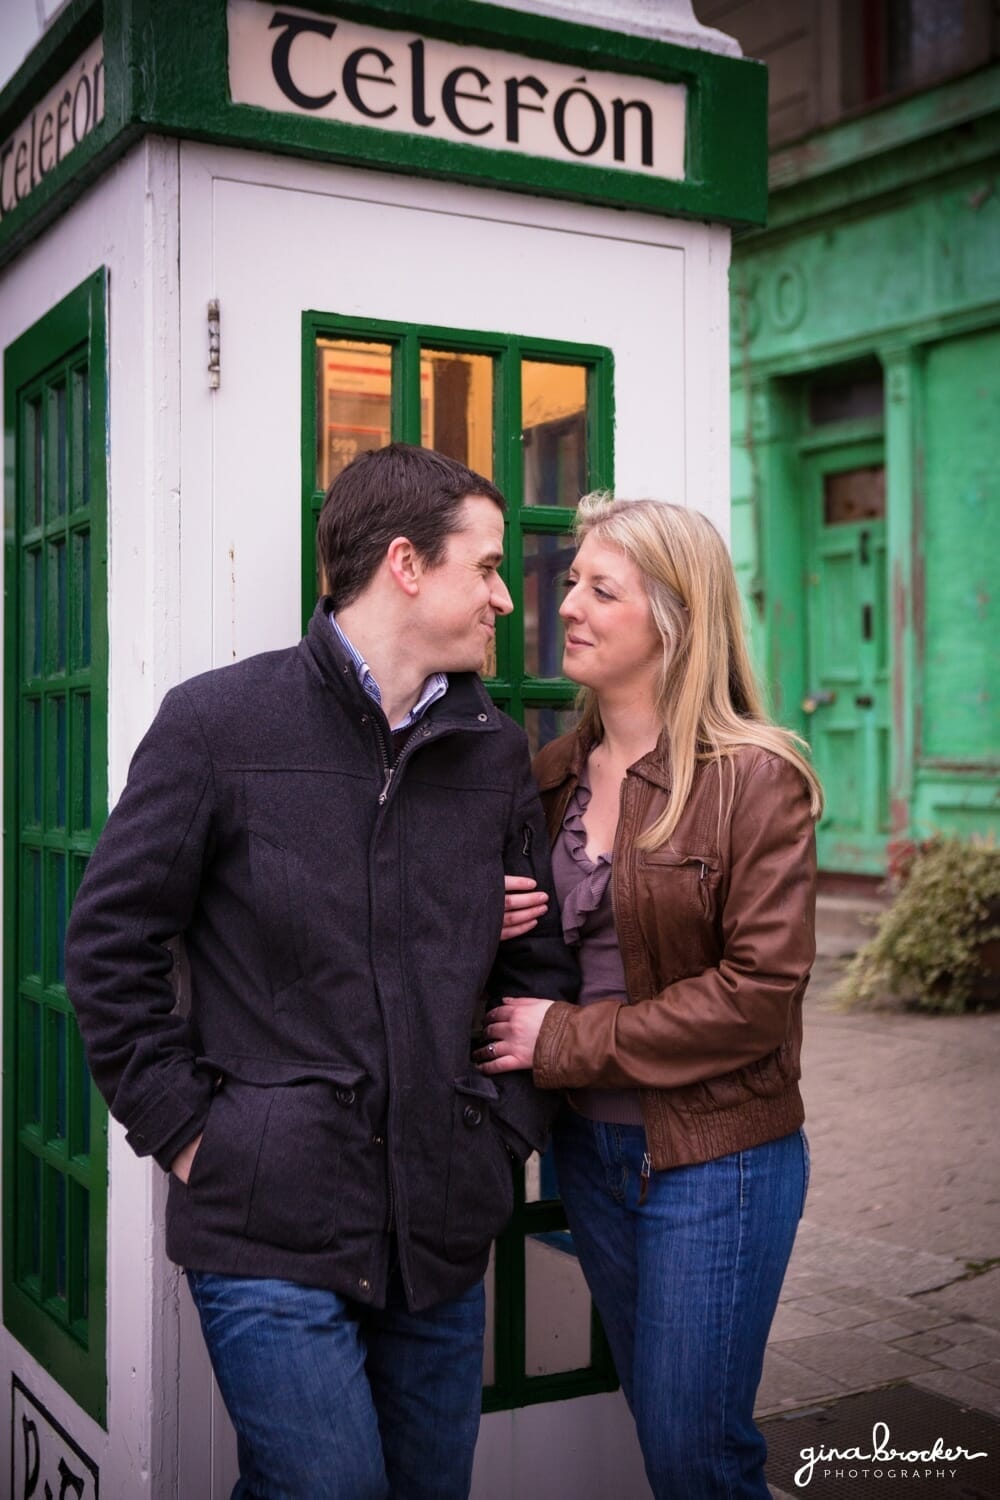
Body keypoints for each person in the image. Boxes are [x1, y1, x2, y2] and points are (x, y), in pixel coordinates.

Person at [65, 444, 578, 1500]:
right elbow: (109, 946)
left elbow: (539, 964)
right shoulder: (217, 724)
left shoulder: (488, 748)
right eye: (483, 568)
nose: (502, 597)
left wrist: (500, 1132)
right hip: (266, 1222)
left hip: (437, 1226)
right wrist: (196, 1136)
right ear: (405, 563)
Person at [480, 493, 822, 1499]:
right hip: (591, 1155)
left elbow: (758, 993)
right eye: (570, 581)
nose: (566, 605)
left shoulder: (755, 777)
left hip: (717, 1156)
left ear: (673, 617)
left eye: (600, 588)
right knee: (667, 1433)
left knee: (696, 1457)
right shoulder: (551, 778)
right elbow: (532, 953)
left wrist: (567, 1040)